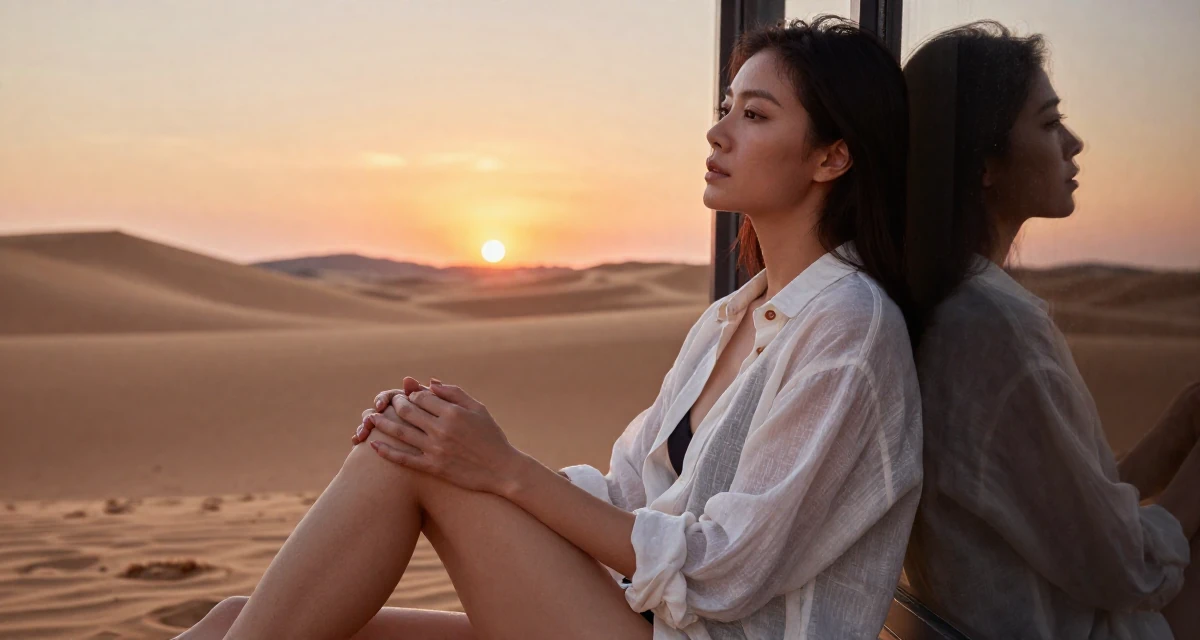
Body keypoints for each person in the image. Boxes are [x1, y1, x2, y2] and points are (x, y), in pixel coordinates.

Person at [179, 16, 922, 640]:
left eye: (754, 115)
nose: (717, 131)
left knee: (406, 458)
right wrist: (465, 444)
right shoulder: (732, 319)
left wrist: (500, 470)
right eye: (726, 106)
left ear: (833, 156)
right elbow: (630, 491)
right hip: (636, 618)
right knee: (231, 620)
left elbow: (723, 570)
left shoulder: (848, 329)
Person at [902, 20, 1200, 640]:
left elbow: (1061, 514)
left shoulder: (941, 309)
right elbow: (1126, 568)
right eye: (1048, 123)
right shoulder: (991, 330)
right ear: (984, 161)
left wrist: (1174, 433)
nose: (1074, 142)